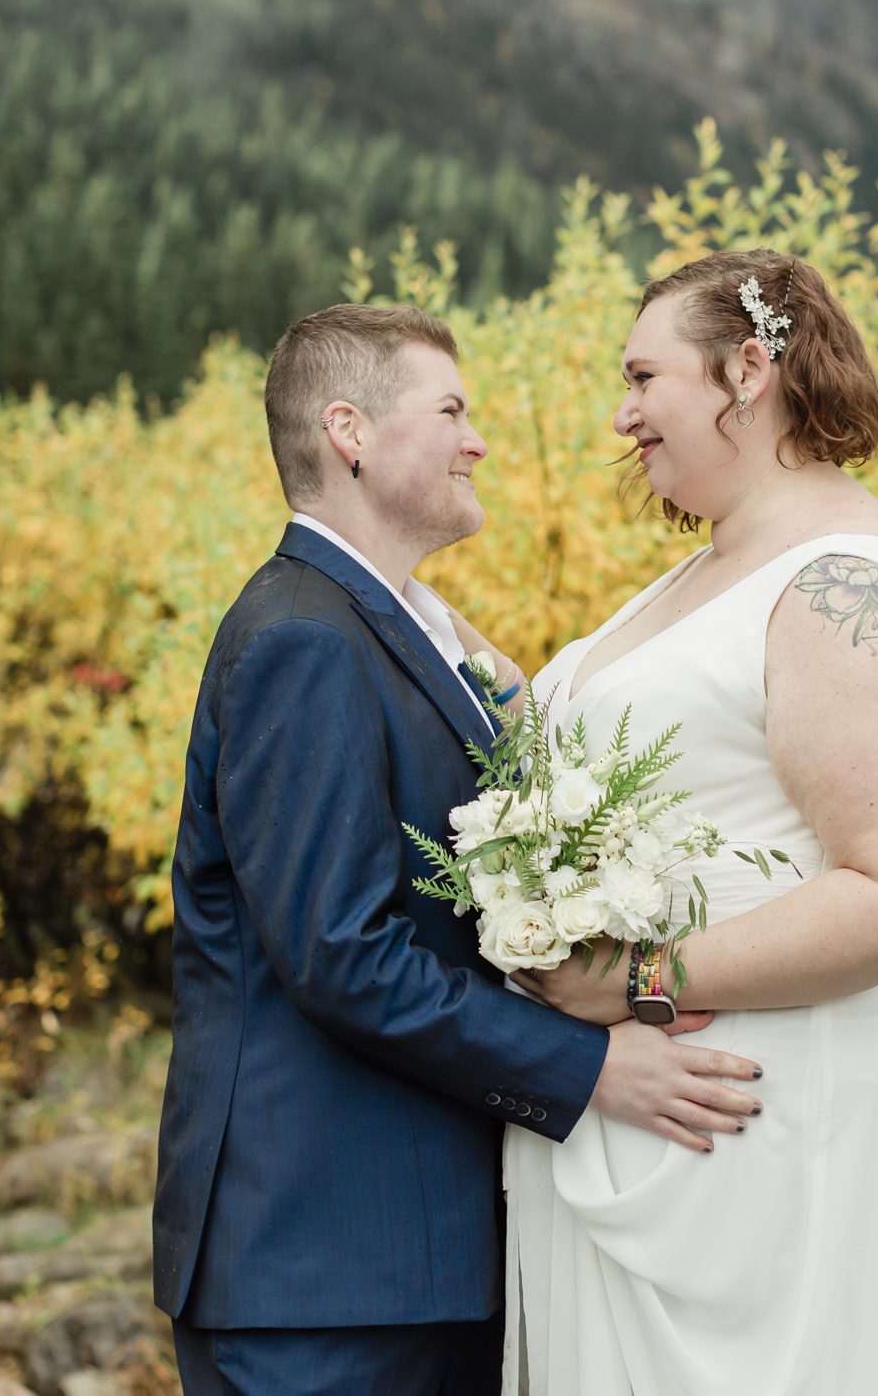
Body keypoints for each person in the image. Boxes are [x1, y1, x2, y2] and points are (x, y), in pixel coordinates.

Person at [152, 302, 764, 1396]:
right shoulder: (304, 639)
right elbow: (343, 954)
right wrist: (590, 1069)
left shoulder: (392, 624)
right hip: (322, 1266)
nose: (478, 440)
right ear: (349, 432)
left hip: (402, 1253)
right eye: (451, 411)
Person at [505, 251, 878, 1395]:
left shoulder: (845, 587)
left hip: (778, 1135)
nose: (622, 413)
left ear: (747, 370)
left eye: (645, 378)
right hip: (665, 1124)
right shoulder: (712, 566)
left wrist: (636, 975)